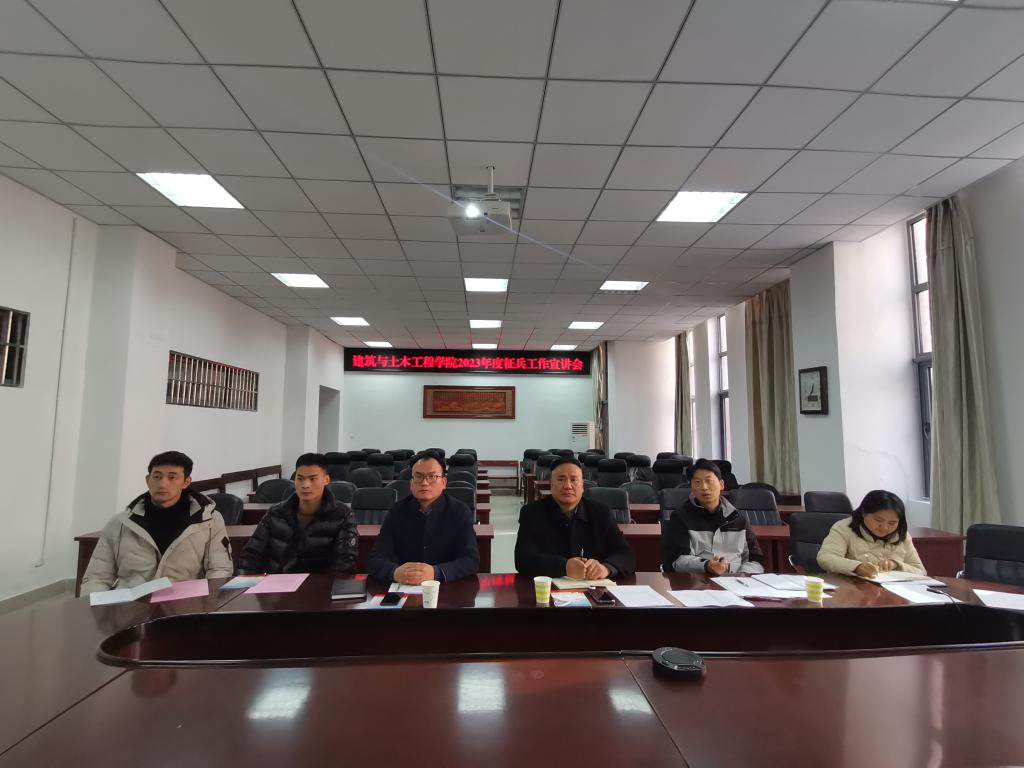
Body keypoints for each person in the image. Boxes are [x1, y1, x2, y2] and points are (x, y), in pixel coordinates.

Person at [81, 451, 233, 595]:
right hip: (130, 607)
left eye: (172, 477)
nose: (163, 484)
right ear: (148, 480)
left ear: (186, 482)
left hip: (184, 605)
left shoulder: (209, 521)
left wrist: (208, 605)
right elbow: (97, 578)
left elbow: (219, 570)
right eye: (157, 477)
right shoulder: (120, 523)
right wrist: (99, 608)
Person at [367, 450, 479, 584]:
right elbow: (375, 558)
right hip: (404, 586)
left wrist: (436, 572)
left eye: (432, 476)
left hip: (446, 587)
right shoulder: (397, 511)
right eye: (418, 477)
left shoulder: (460, 512)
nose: (425, 482)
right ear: (411, 483)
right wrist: (394, 572)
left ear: (443, 482)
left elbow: (471, 560)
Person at [515, 456, 635, 579]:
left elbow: (626, 555)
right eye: (561, 479)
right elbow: (522, 559)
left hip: (593, 587)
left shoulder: (601, 512)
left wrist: (607, 568)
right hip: (549, 587)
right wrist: (564, 567)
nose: (568, 486)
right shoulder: (532, 513)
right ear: (551, 485)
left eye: (573, 480)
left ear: (582, 486)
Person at [239, 453, 357, 575]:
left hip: (319, 585)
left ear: (326, 480)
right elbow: (251, 556)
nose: (305, 485)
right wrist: (242, 582)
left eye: (313, 479)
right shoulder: (276, 513)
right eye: (300, 478)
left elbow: (344, 565)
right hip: (278, 583)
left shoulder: (343, 515)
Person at [662, 458, 764, 576]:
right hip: (697, 581)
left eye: (709, 481)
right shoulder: (681, 517)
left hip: (737, 581)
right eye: (697, 482)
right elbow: (677, 561)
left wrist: (742, 575)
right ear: (692, 488)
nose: (704, 487)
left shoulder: (738, 518)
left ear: (721, 484)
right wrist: (707, 566)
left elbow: (756, 560)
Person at [817, 489, 926, 577]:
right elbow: (826, 558)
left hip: (893, 591)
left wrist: (896, 564)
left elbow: (920, 571)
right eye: (878, 520)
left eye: (892, 523)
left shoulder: (902, 534)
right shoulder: (844, 528)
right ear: (864, 513)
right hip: (852, 589)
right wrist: (857, 567)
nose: (884, 527)